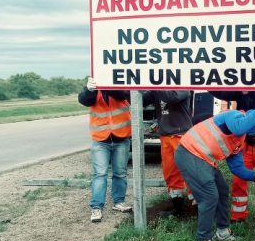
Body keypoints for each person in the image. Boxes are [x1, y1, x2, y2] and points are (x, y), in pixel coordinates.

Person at [175, 98, 255, 241]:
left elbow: (237, 168)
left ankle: (222, 232)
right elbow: (240, 127)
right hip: (189, 152)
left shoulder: (239, 140)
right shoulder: (233, 116)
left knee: (222, 190)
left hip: (203, 159)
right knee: (209, 196)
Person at [209, 91, 255, 233]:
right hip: (246, 144)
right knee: (238, 180)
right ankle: (238, 215)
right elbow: (223, 93)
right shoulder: (239, 91)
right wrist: (207, 84)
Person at [78, 76, 133, 223]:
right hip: (101, 140)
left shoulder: (120, 85)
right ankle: (96, 207)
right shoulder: (94, 89)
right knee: (100, 174)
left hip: (121, 138)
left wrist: (107, 83)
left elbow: (122, 95)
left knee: (120, 173)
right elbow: (84, 100)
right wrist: (89, 89)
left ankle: (118, 202)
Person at [142, 90, 195, 217]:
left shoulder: (182, 84)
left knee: (191, 173)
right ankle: (178, 209)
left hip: (181, 135)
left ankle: (198, 210)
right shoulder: (158, 88)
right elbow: (141, 100)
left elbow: (172, 97)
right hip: (165, 136)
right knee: (170, 173)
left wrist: (155, 84)